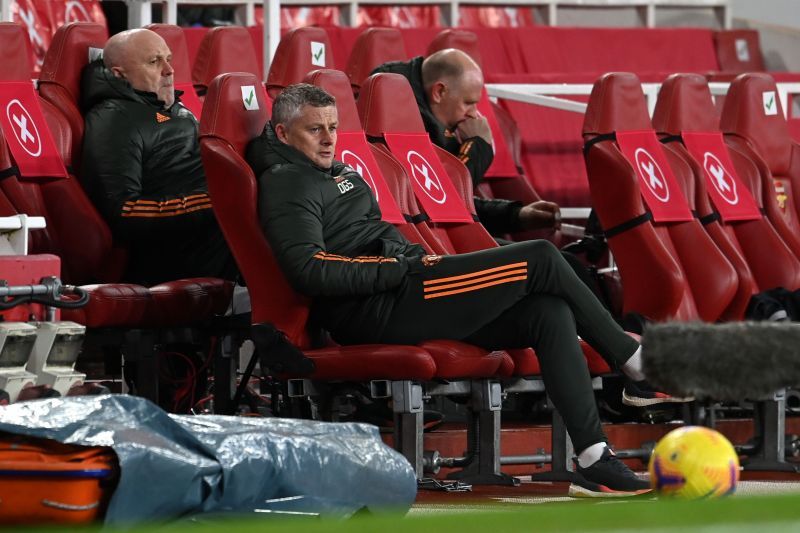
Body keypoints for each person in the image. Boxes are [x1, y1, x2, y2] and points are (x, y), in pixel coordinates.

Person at [247, 83, 686, 496]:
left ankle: (593, 454)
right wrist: (397, 268)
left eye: (333, 127)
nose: (328, 139)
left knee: (548, 312)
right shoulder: (287, 182)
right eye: (314, 129)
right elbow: (310, 270)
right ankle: (634, 363)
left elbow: (371, 233)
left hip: (401, 284)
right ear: (283, 132)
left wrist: (401, 258)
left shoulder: (337, 171)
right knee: (540, 257)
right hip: (378, 304)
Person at [80, 29, 236, 285]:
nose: (169, 70)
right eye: (154, 62)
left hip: (215, 233)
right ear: (120, 75)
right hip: (180, 252)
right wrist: (217, 203)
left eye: (169, 59)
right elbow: (124, 211)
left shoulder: (172, 108)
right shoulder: (114, 119)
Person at [372, 49, 561, 236]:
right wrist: (478, 147)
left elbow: (456, 202)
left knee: (552, 256)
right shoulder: (400, 124)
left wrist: (517, 215)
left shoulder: (430, 118)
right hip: (423, 255)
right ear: (439, 92)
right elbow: (443, 201)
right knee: (544, 257)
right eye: (468, 103)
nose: (473, 113)